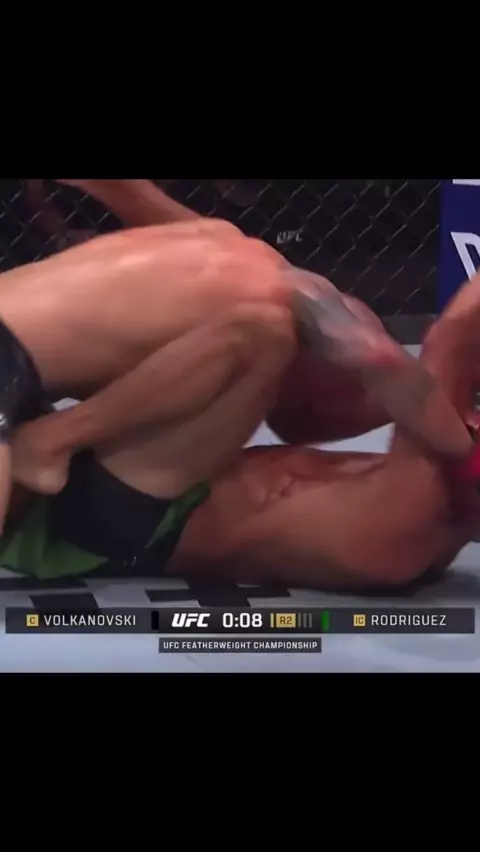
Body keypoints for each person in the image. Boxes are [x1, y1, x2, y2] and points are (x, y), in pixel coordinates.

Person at [0, 220, 476, 585]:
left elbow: (448, 341)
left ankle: (51, 440)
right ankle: (49, 438)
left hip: (97, 529)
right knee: (259, 320)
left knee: (258, 326)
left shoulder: (399, 534)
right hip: (114, 476)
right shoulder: (422, 465)